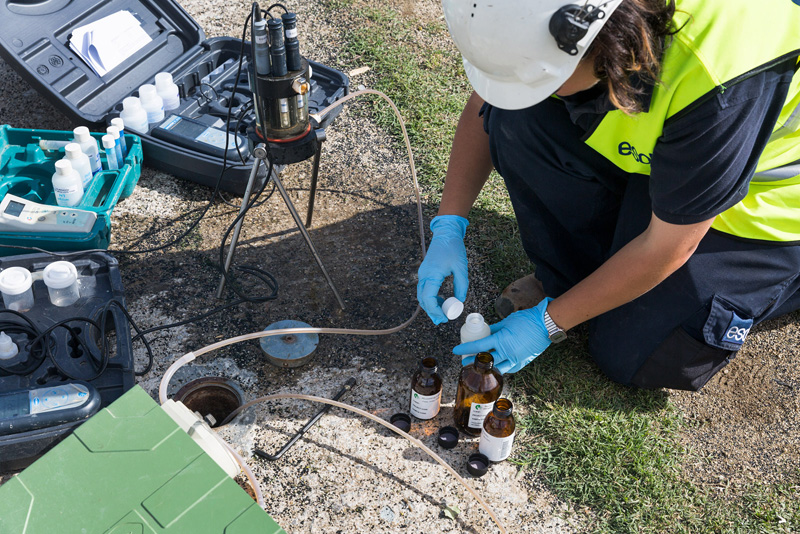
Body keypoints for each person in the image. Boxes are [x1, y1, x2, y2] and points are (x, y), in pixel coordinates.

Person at [416, 0, 800, 390]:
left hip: (758, 202)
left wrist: (548, 323)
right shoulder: (560, 21)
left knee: (630, 350)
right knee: (520, 117)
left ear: (604, 44)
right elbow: (491, 100)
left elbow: (669, 246)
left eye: (538, 76)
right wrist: (449, 224)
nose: (524, 86)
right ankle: (572, 282)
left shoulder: (717, 76)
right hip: (670, 162)